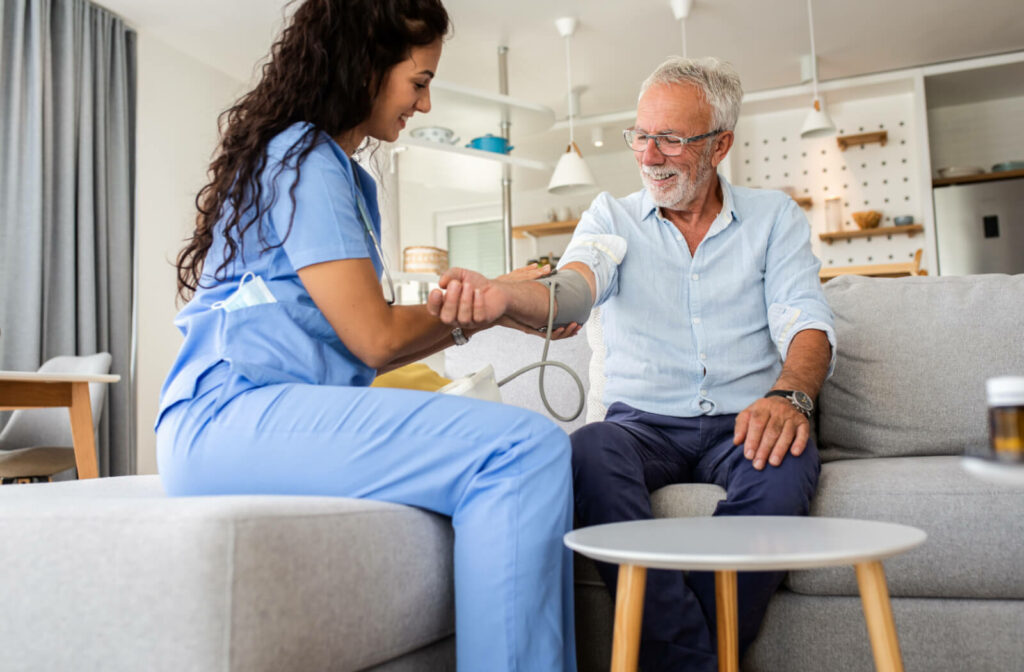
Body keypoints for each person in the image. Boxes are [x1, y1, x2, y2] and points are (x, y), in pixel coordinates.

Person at [155, 1, 578, 669]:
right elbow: (375, 338)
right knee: (522, 450)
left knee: (510, 444)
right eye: (419, 82)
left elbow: (363, 341)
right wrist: (494, 305)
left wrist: (494, 305)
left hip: (248, 416)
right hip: (227, 415)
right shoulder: (304, 156)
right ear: (366, 65)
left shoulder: (332, 169)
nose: (426, 104)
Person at [432, 56, 836, 671]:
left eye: (671, 139)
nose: (649, 155)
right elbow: (574, 288)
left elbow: (806, 321)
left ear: (720, 144)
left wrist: (790, 395)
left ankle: (680, 656)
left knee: (788, 461)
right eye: (641, 136)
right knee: (589, 450)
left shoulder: (773, 218)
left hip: (743, 419)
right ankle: (703, 661)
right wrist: (502, 294)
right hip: (640, 426)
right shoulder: (610, 217)